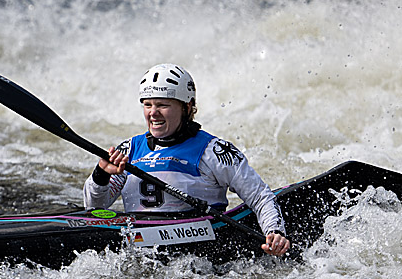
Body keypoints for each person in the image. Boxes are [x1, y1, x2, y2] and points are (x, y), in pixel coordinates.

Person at [83, 63, 291, 256]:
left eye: (163, 105)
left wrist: (275, 232)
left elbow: (261, 197)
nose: (153, 113)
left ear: (187, 107)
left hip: (197, 256)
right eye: (147, 105)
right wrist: (101, 174)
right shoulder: (129, 150)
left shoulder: (215, 151)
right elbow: (94, 210)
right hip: (140, 250)